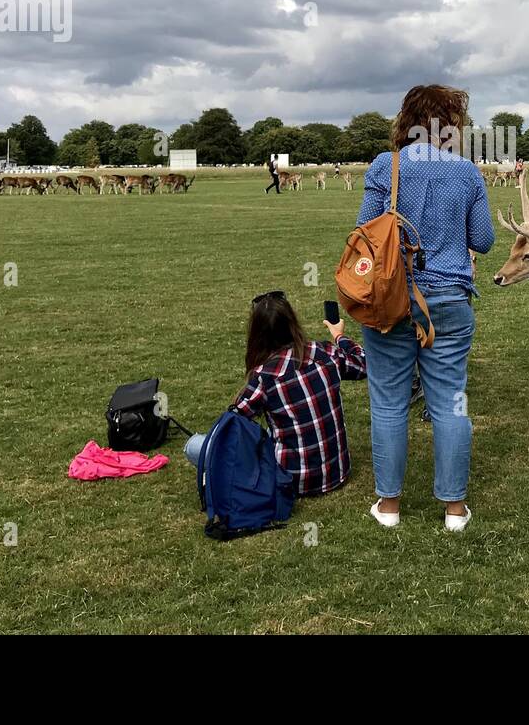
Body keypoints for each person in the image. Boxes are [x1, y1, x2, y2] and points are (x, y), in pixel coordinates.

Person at [356, 84, 495, 532]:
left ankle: (390, 506)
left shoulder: (386, 165)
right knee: (451, 403)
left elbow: (364, 232)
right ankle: (454, 509)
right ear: (452, 122)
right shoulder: (468, 173)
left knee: (389, 403)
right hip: (451, 300)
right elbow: (484, 241)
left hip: (391, 301)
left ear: (407, 117)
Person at [184, 292, 366, 497]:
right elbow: (364, 363)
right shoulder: (324, 352)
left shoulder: (264, 376)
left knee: (194, 446)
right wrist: (339, 336)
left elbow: (231, 427)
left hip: (290, 482)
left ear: (257, 333)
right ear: (293, 322)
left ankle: (224, 478)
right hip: (338, 473)